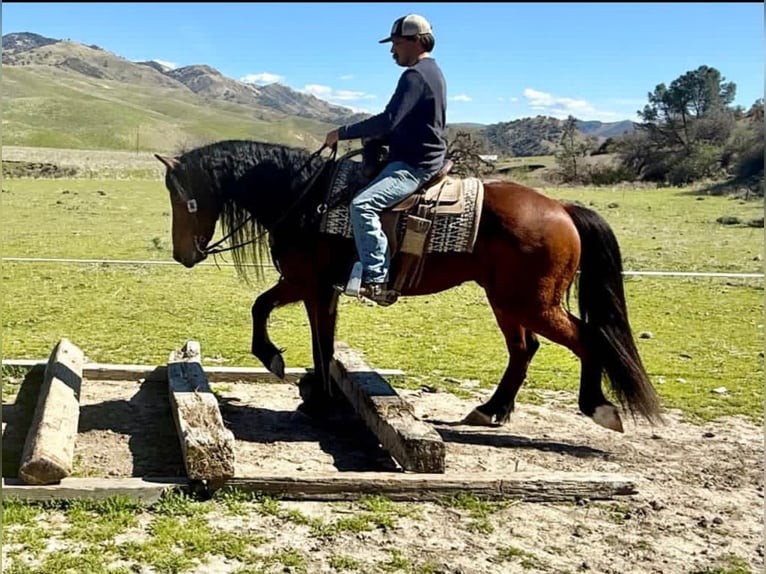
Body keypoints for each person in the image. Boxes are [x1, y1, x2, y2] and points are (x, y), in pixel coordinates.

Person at [325, 13, 447, 306]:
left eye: (396, 43)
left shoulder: (415, 76)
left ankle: (376, 279)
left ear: (416, 42)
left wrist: (341, 133)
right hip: (416, 156)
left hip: (414, 165)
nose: (393, 51)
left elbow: (389, 120)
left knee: (363, 205)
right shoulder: (432, 71)